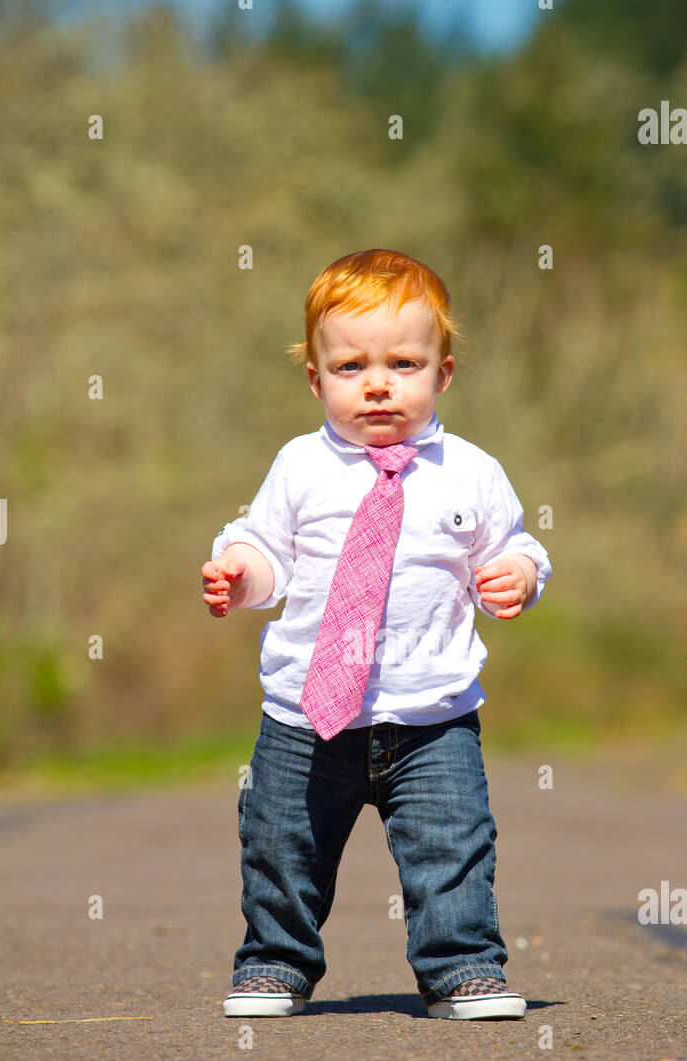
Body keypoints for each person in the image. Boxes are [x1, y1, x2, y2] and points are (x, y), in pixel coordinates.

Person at [201, 248, 551, 1020]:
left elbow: (516, 546)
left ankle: (462, 966)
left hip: (432, 716)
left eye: (404, 362)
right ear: (317, 379)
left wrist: (519, 578)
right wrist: (239, 572)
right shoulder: (300, 467)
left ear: (444, 374)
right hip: (305, 716)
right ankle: (275, 963)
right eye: (352, 365)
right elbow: (267, 551)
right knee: (280, 846)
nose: (379, 383)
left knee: (453, 848)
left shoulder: (471, 471)